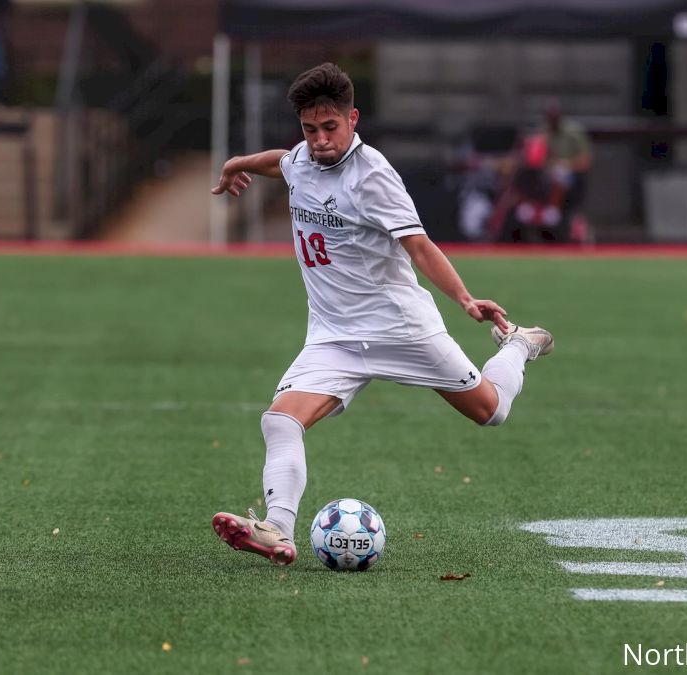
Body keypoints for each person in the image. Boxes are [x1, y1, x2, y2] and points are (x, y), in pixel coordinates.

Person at [209, 63, 554, 566]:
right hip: (334, 337)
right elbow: (280, 161)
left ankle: (519, 344)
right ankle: (276, 529)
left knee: (491, 411)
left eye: (331, 127)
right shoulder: (302, 159)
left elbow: (419, 245)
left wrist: (463, 299)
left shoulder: (373, 176)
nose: (321, 140)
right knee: (280, 421)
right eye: (311, 129)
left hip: (402, 329)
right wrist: (236, 163)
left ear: (353, 119)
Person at [488, 99, 592, 243]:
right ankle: (528, 206)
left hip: (565, 171)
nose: (551, 118)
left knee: (560, 174)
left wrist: (564, 163)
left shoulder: (573, 132)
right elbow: (531, 155)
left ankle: (552, 208)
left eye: (554, 115)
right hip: (541, 170)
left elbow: (585, 161)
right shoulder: (541, 131)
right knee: (523, 175)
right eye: (549, 115)